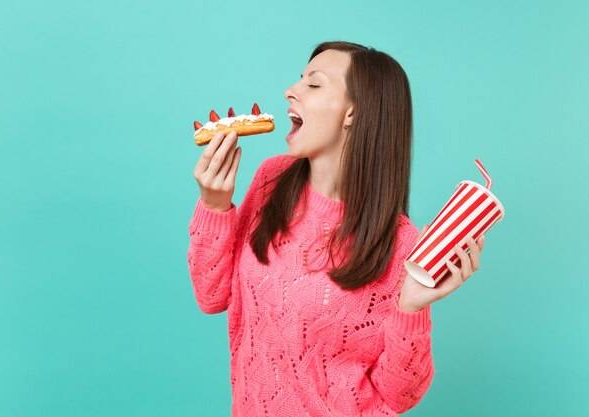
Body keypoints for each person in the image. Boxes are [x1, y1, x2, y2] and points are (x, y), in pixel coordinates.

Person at [187, 41, 485, 417]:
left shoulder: (403, 246)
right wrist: (215, 206)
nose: (290, 91)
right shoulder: (270, 181)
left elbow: (400, 395)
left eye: (314, 84)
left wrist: (412, 306)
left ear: (352, 114)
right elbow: (211, 296)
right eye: (300, 79)